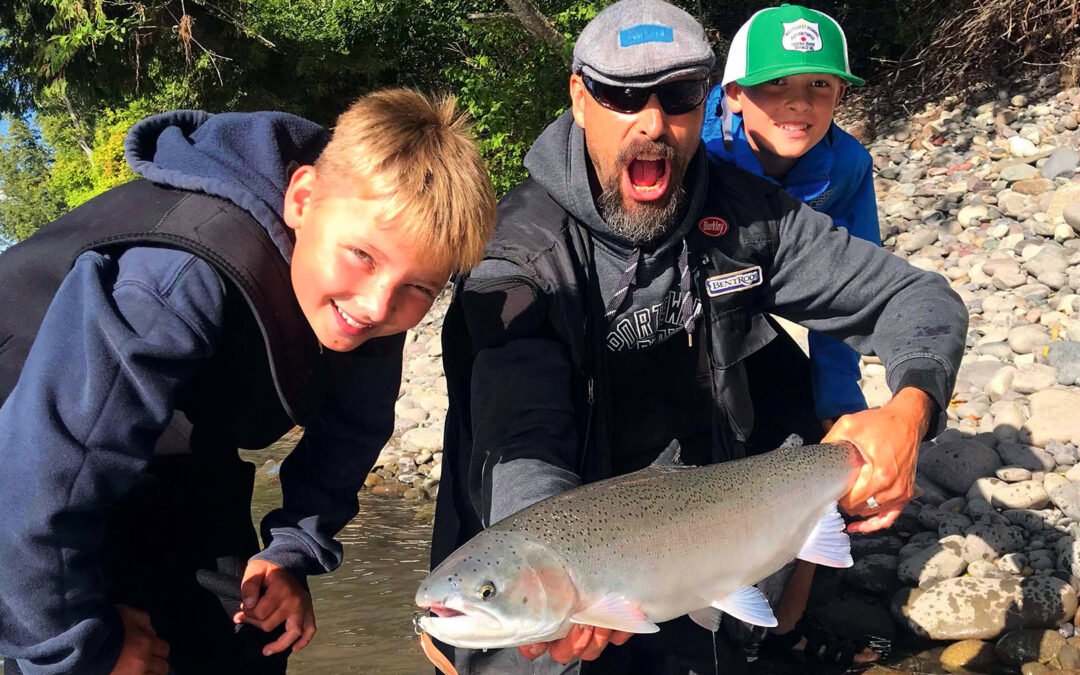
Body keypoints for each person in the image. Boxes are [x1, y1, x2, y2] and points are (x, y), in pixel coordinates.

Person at [430, 0, 967, 673]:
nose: (653, 123)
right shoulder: (516, 253)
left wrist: (910, 410)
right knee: (530, 642)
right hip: (549, 523)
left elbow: (917, 296)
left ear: (706, 100)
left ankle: (777, 622)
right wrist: (559, 572)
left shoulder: (748, 214)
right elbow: (521, 435)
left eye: (679, 95)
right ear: (579, 97)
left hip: (693, 514)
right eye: (623, 96)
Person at [0, 89, 495, 674]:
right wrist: (81, 652)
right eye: (361, 255)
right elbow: (33, 485)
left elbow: (350, 436)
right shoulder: (175, 282)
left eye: (420, 288)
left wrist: (290, 553)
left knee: (242, 641)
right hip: (24, 451)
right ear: (303, 199)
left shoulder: (371, 308)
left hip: (163, 454)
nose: (375, 304)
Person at [700, 4, 884, 653]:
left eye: (819, 86)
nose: (797, 104)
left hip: (759, 306)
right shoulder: (696, 146)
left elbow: (847, 301)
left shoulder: (848, 166)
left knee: (812, 438)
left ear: (840, 95)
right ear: (733, 94)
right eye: (775, 84)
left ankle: (781, 628)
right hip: (685, 312)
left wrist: (841, 411)